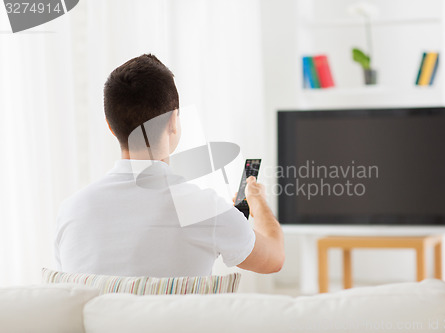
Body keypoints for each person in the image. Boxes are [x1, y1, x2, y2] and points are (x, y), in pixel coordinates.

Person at [54, 54, 284, 277]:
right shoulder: (206, 209)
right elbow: (274, 258)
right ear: (173, 121)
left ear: (111, 127)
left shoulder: (71, 212)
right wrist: (257, 201)